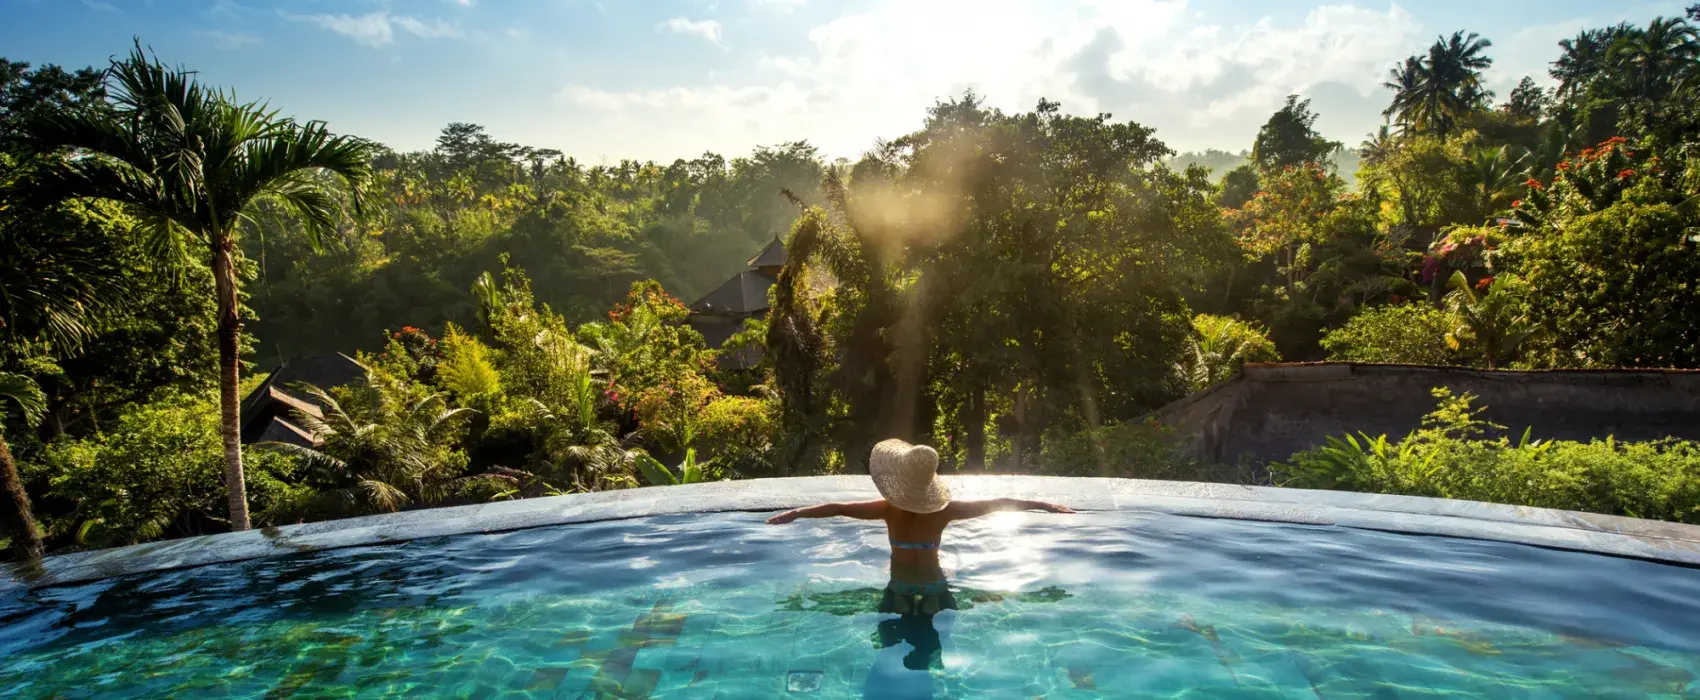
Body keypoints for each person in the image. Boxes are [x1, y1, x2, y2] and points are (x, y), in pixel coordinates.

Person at [765, 438, 1075, 670]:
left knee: (887, 638)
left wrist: (797, 512)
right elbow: (997, 502)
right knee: (934, 637)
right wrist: (1043, 504)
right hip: (935, 588)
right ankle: (929, 663)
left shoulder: (887, 509)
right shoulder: (946, 511)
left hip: (898, 586)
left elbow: (839, 508)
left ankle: (898, 657)